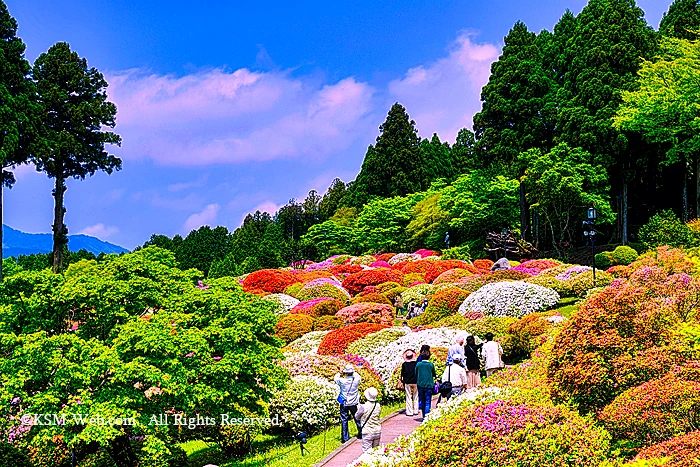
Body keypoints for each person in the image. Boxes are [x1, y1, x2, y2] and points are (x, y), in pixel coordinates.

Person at [334, 365, 362, 442]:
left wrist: (340, 372)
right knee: (357, 418)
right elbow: (357, 375)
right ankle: (361, 432)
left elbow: (335, 378)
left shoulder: (342, 381)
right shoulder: (356, 380)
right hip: (353, 403)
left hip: (344, 403)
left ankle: (345, 438)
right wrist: (352, 371)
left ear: (346, 373)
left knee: (344, 420)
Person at [355, 387, 381, 452]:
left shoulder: (363, 407)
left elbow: (357, 417)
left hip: (367, 432)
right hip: (377, 431)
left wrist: (358, 408)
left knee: (367, 453)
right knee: (376, 452)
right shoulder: (378, 405)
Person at [414, 347, 436, 419]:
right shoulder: (431, 365)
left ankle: (423, 416)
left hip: (420, 385)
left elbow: (415, 373)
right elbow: (434, 374)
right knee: (428, 401)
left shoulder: (418, 364)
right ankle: (426, 417)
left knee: (422, 401)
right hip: (429, 385)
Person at [400, 349, 419, 416]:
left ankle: (409, 412)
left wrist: (402, 381)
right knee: (416, 396)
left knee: (408, 397)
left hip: (407, 382)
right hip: (416, 381)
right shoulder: (416, 364)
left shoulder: (404, 364)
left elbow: (402, 374)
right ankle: (416, 410)